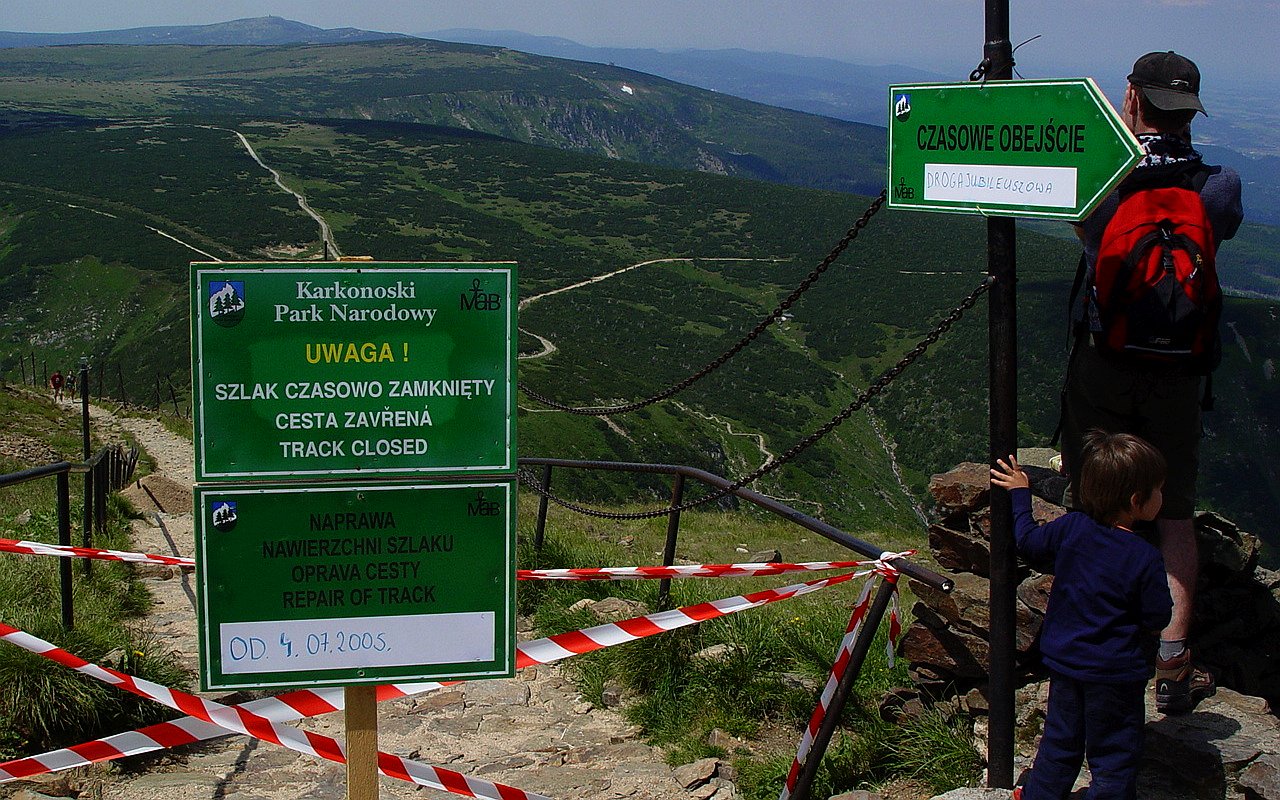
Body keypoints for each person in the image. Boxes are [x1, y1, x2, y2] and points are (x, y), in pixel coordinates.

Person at [1063, 50, 1242, 715]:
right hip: (1178, 371)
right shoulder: (1218, 186)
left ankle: (1091, 636)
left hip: (1105, 359)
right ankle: (1171, 660)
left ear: (1131, 100)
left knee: (1094, 492)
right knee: (1172, 512)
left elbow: (1086, 234)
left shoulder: (1104, 180)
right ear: (1191, 109)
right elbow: (1216, 237)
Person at [993, 433, 1173, 800]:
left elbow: (1028, 541)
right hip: (1115, 674)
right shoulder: (1144, 557)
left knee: (1060, 743)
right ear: (1137, 501)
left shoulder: (1072, 528)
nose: (1162, 496)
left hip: (1065, 663)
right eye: (1158, 490)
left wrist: (1020, 494)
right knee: (1113, 757)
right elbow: (1158, 615)